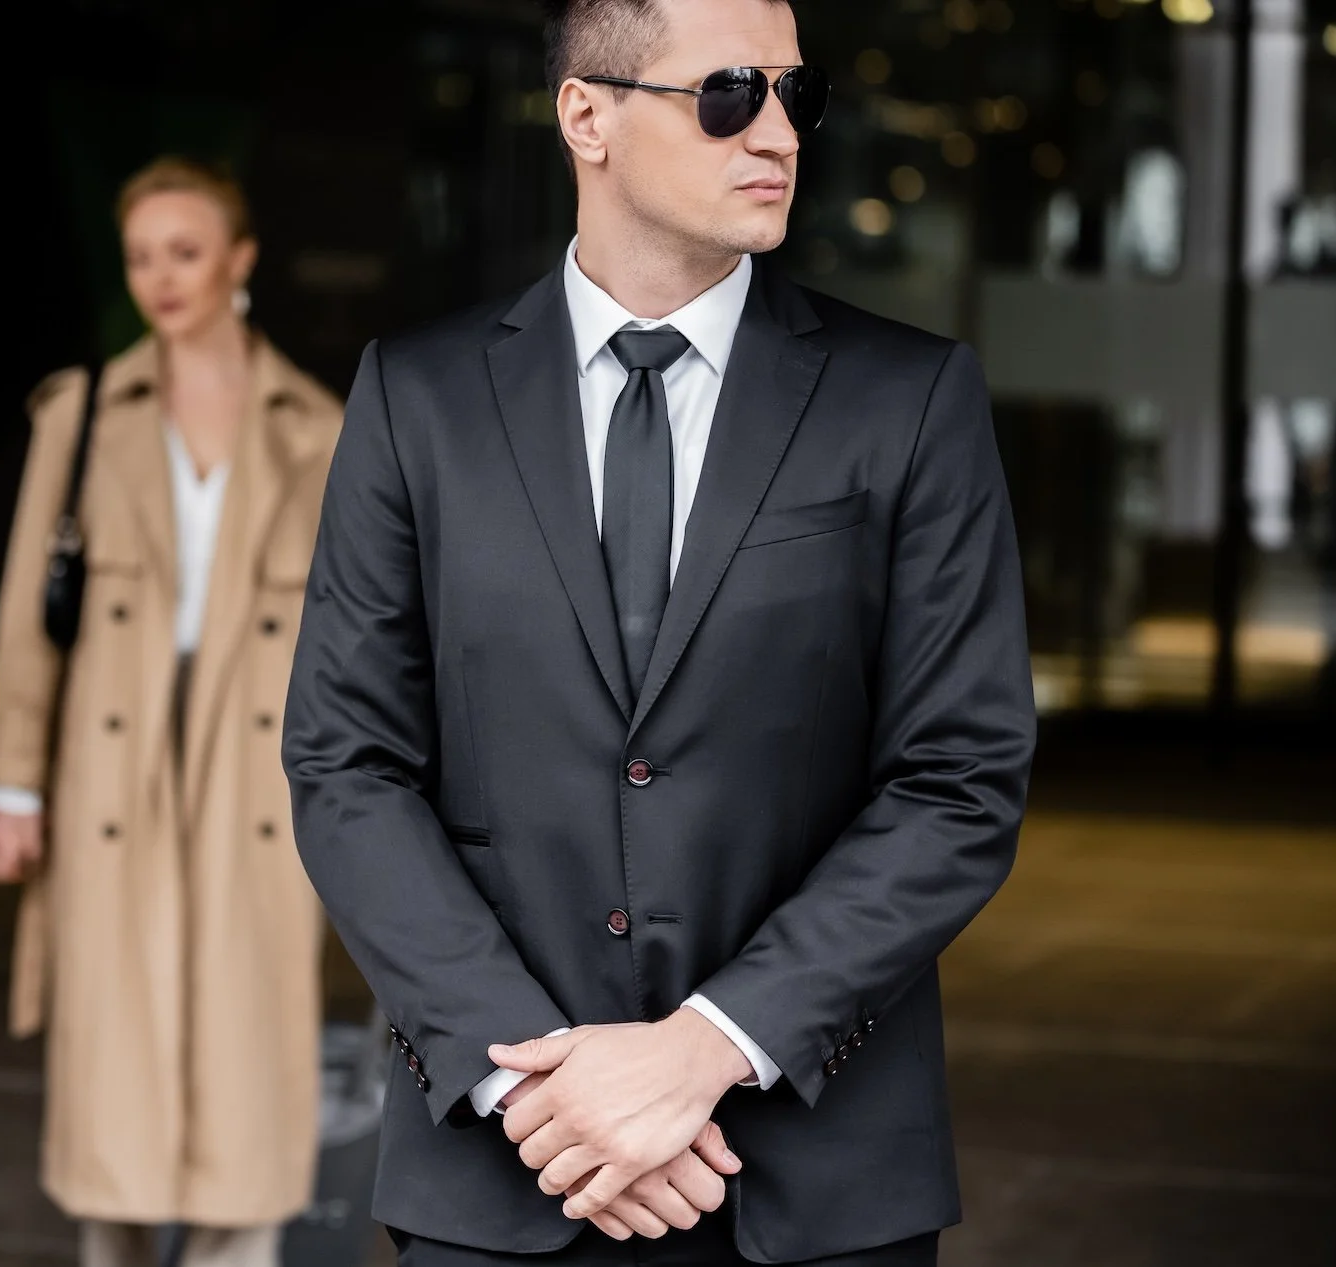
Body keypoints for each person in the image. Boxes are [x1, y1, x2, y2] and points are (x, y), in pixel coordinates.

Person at [282, 0, 1037, 1263]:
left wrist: (703, 1050)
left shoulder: (907, 399)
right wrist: (536, 1092)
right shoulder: (416, 397)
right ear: (587, 114)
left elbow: (959, 780)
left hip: (810, 1175)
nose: (780, 132)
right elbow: (346, 764)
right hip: (503, 1168)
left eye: (801, 94)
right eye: (732, 92)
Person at [0, 157, 344, 1267]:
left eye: (185, 252)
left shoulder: (320, 429)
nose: (161, 278)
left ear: (240, 259)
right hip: (109, 761)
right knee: (115, 1063)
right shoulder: (83, 411)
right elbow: (27, 617)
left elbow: (365, 642)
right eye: (140, 256)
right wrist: (9, 780)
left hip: (259, 768)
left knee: (244, 1047)